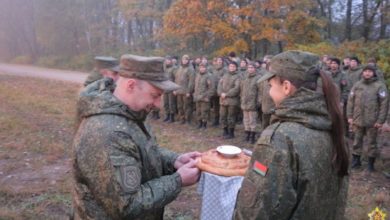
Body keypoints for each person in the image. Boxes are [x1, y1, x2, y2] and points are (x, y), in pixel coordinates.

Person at [72, 54, 201, 219]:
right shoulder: (107, 133)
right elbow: (127, 204)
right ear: (131, 85)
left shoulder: (131, 112)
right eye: (155, 95)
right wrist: (177, 180)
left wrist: (174, 160)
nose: (159, 105)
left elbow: (137, 150)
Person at [234, 50, 349, 220]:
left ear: (286, 87)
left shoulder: (279, 138)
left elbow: (255, 213)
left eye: (271, 85)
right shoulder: (333, 128)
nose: (269, 92)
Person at [347, 65, 389, 172]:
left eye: (370, 71)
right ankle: (356, 161)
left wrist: (380, 121)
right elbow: (351, 101)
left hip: (373, 121)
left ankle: (371, 164)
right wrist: (350, 116)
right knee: (357, 141)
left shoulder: (379, 86)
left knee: (372, 142)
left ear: (374, 73)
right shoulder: (357, 85)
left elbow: (384, 104)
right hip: (358, 119)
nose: (367, 73)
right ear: (362, 73)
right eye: (365, 71)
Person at [218, 61, 241, 139]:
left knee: (231, 117)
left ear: (236, 68)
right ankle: (225, 131)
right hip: (223, 100)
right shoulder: (225, 75)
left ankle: (231, 133)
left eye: (233, 66)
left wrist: (226, 94)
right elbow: (219, 85)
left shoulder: (238, 76)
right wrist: (220, 93)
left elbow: (236, 88)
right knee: (223, 115)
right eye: (230, 66)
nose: (231, 68)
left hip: (232, 101)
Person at [240, 62, 260, 143]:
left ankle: (252, 136)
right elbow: (242, 89)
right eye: (249, 68)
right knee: (246, 119)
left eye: (252, 67)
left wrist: (258, 102)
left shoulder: (258, 78)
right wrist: (242, 98)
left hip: (253, 102)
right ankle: (247, 134)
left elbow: (260, 92)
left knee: (252, 120)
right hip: (245, 101)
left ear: (255, 69)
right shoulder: (245, 78)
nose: (250, 69)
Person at [173, 54, 195, 124]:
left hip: (186, 92)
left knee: (187, 106)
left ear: (188, 61)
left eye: (186, 59)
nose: (184, 61)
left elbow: (191, 81)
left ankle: (187, 120)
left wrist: (189, 91)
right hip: (179, 91)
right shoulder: (179, 68)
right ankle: (182, 119)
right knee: (180, 106)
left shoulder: (190, 69)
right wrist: (175, 89)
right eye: (183, 59)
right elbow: (176, 80)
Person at [193, 63, 215, 129]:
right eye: (201, 67)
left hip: (204, 97)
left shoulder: (209, 76)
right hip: (197, 97)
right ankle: (199, 123)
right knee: (198, 111)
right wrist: (195, 94)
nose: (202, 69)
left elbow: (211, 88)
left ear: (206, 68)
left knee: (204, 111)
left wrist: (207, 96)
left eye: (203, 67)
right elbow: (195, 86)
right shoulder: (197, 75)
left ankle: (204, 124)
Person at [162, 57, 178, 123]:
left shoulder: (174, 68)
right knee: (166, 103)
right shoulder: (164, 68)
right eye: (166, 60)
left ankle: (172, 118)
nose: (167, 62)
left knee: (171, 103)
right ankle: (167, 116)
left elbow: (176, 79)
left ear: (171, 61)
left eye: (168, 60)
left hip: (171, 88)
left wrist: (175, 89)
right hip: (165, 88)